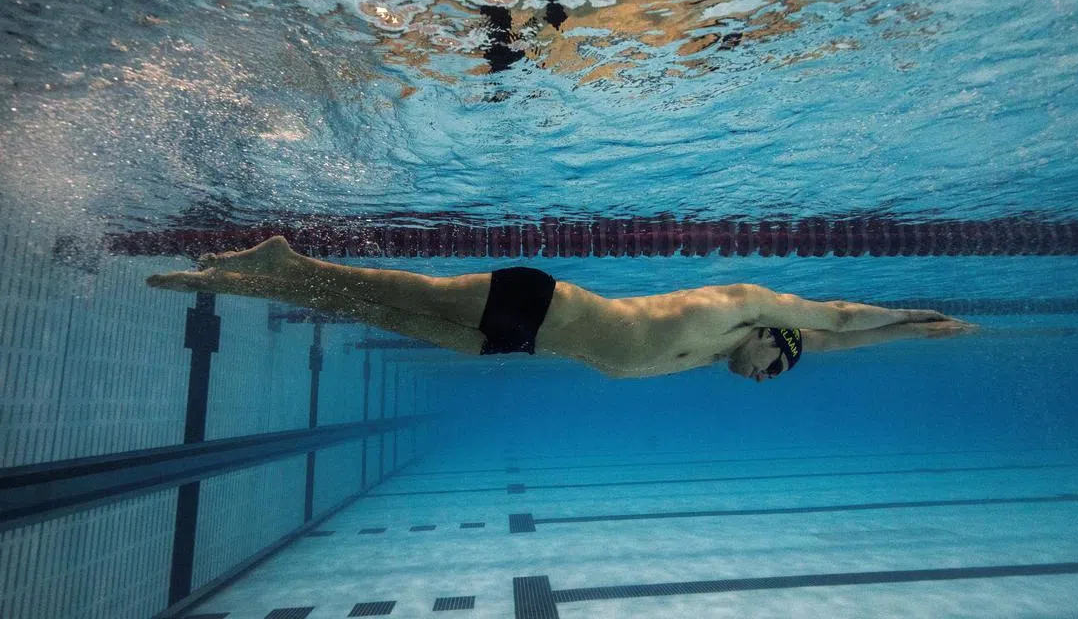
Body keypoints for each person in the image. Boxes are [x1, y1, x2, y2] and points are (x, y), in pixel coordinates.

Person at [146, 236, 975, 381]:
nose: (765, 380)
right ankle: (286, 262)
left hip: (515, 347)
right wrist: (917, 316)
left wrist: (911, 339)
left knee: (361, 313)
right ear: (776, 338)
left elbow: (833, 343)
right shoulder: (743, 304)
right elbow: (832, 317)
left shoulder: (727, 350)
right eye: (777, 368)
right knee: (373, 291)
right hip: (541, 305)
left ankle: (260, 277)